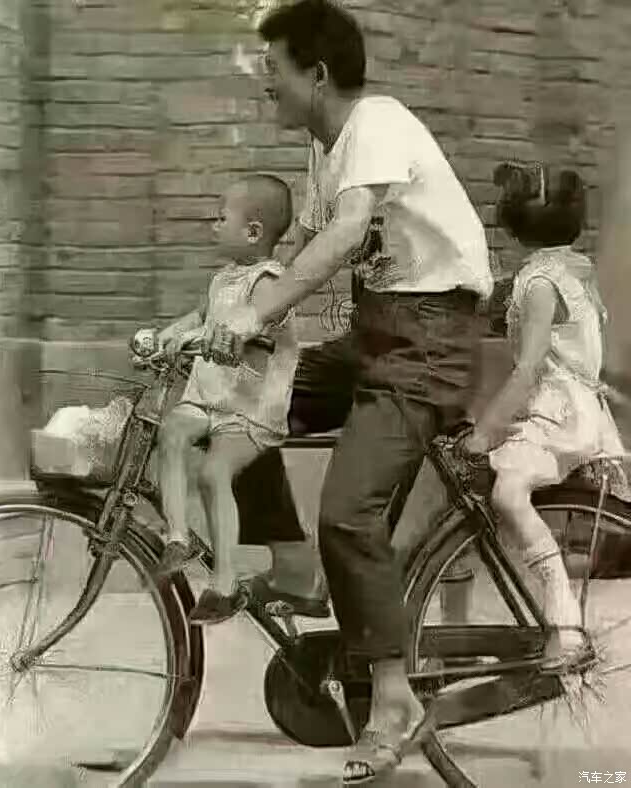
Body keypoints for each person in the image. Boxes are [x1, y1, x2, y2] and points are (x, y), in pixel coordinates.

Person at [201, 0, 494, 782]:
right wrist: (212, 319)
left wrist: (263, 311)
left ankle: (393, 699)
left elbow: (343, 232)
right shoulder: (324, 145)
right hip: (375, 332)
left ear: (318, 74)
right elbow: (298, 240)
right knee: (235, 403)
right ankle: (296, 570)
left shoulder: (378, 123)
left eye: (275, 70)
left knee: (348, 511)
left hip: (430, 342)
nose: (267, 84)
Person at [465, 161, 629, 667]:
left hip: (557, 413)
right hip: (579, 404)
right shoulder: (574, 268)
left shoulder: (538, 283)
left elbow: (531, 365)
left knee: (508, 492)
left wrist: (488, 429)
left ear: (510, 224)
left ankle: (563, 617)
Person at [155, 173, 298, 623]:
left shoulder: (269, 283)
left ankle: (225, 583)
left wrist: (204, 337)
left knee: (214, 473)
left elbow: (254, 329)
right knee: (171, 431)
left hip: (250, 408)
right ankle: (177, 536)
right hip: (211, 397)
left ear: (253, 232)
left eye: (221, 217)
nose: (213, 225)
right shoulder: (222, 279)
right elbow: (201, 316)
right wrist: (169, 333)